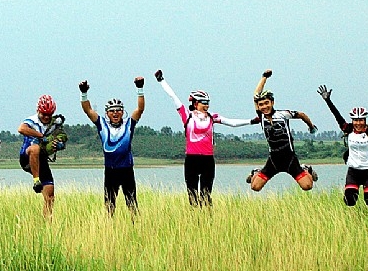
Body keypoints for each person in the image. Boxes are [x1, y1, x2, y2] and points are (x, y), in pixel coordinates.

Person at [155, 69, 253, 206]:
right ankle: (194, 218)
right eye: (203, 102)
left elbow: (232, 123)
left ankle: (208, 217)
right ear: (195, 103)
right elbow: (173, 96)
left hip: (208, 159)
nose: (206, 105)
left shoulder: (212, 117)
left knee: (206, 195)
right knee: (192, 194)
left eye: (208, 102)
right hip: (192, 159)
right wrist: (161, 80)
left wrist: (251, 121)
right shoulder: (187, 115)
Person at [317, 82, 368, 208]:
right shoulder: (348, 129)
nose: (358, 123)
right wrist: (327, 100)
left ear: (365, 120)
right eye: (355, 120)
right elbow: (337, 116)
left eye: (361, 120)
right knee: (350, 201)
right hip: (353, 172)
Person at [79, 76, 145, 216]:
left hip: (127, 169)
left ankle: (137, 226)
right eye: (112, 111)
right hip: (110, 170)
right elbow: (88, 110)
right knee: (109, 205)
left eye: (118, 110)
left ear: (122, 112)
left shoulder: (129, 124)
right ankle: (109, 227)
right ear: (107, 113)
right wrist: (84, 93)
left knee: (132, 203)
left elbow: (140, 109)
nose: (115, 113)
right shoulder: (102, 124)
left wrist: (140, 88)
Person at [247, 70, 319, 192]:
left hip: (290, 159)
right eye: (261, 105)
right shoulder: (261, 116)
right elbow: (256, 94)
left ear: (272, 102)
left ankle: (307, 169)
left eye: (267, 103)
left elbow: (301, 115)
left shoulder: (283, 114)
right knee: (255, 187)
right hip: (273, 160)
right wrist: (264, 77)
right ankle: (256, 172)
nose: (264, 106)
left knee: (307, 186)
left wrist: (311, 127)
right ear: (258, 107)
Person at [18, 94, 64, 218]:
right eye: (44, 114)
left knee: (50, 196)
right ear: (38, 111)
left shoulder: (54, 123)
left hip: (41, 160)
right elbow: (21, 129)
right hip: (27, 157)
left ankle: (47, 222)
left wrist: (59, 144)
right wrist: (40, 136)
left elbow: (61, 137)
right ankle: (36, 180)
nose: (46, 117)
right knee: (35, 148)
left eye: (49, 114)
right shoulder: (32, 120)